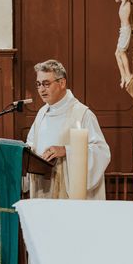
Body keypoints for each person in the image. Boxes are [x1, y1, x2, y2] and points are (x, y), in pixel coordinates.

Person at [26, 59, 110, 199]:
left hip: (68, 193)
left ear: (62, 83)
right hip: (43, 190)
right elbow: (31, 144)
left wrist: (66, 150)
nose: (41, 89)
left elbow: (101, 152)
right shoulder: (41, 114)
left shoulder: (82, 114)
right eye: (38, 84)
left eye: (46, 84)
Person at [113, 0, 133, 90]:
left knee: (122, 52)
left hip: (126, 30)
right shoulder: (123, 3)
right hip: (122, 30)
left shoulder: (125, 1)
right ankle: (123, 76)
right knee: (117, 53)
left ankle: (128, 75)